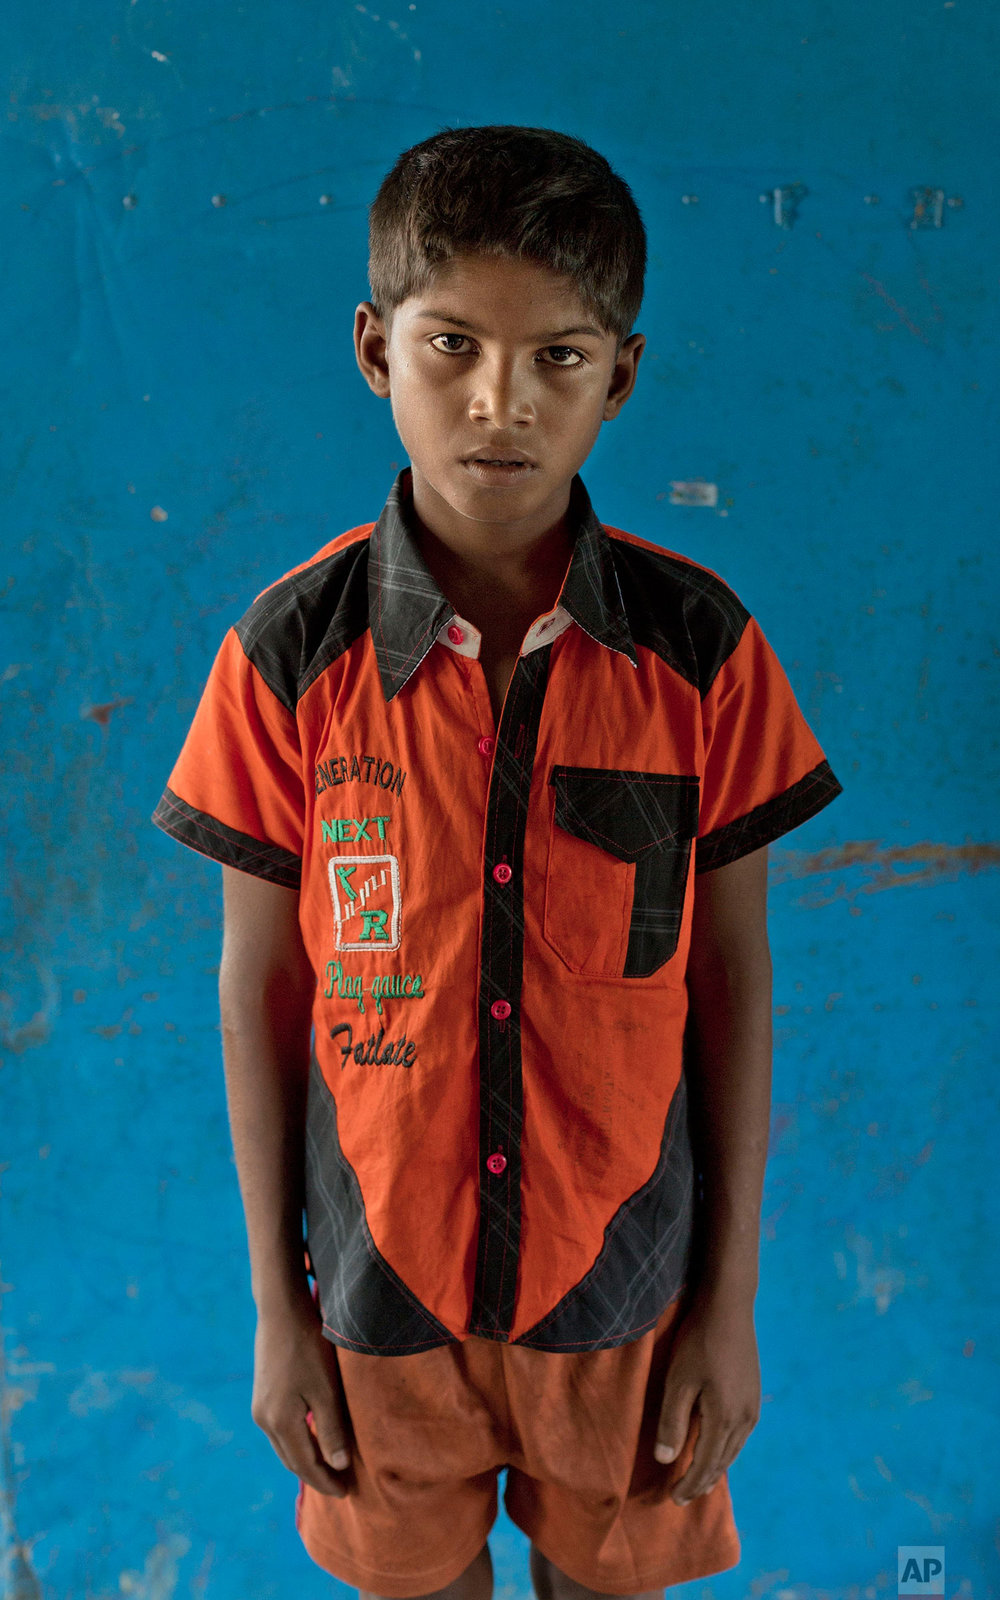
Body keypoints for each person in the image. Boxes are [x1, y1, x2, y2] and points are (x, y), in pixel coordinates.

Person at [152, 125, 842, 1600]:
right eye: (451, 343)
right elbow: (259, 986)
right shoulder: (287, 655)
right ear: (372, 345)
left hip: (628, 1292)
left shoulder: (700, 650)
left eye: (559, 359)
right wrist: (281, 1308)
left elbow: (732, 980)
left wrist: (730, 1304)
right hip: (376, 1292)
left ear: (623, 376)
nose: (498, 403)